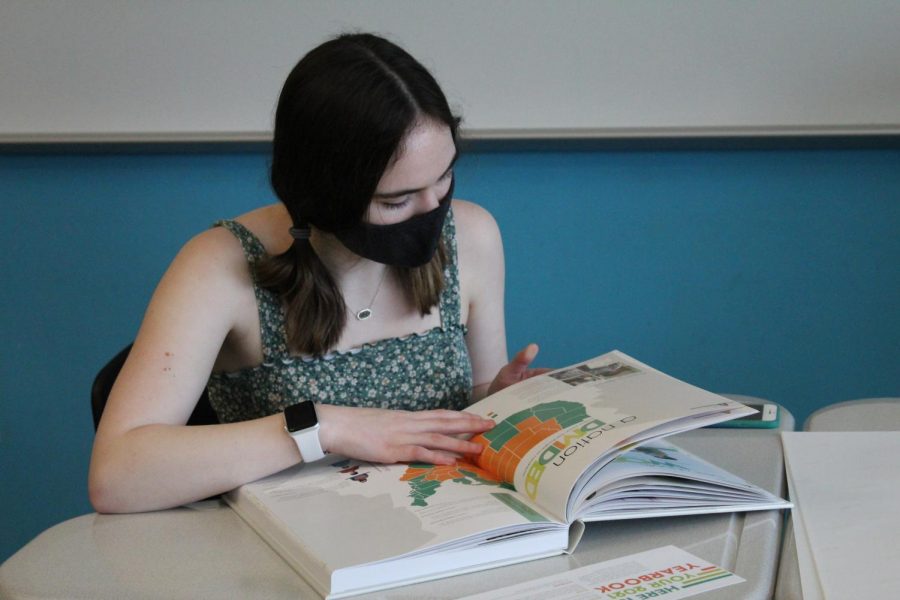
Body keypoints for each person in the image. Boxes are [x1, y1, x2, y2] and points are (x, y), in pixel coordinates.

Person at [88, 32, 546, 514]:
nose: (434, 209)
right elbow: (116, 476)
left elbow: (469, 404)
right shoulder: (219, 265)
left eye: (445, 177)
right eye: (396, 200)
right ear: (325, 194)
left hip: (444, 528)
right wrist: (322, 428)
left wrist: (497, 398)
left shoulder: (472, 235)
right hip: (287, 557)